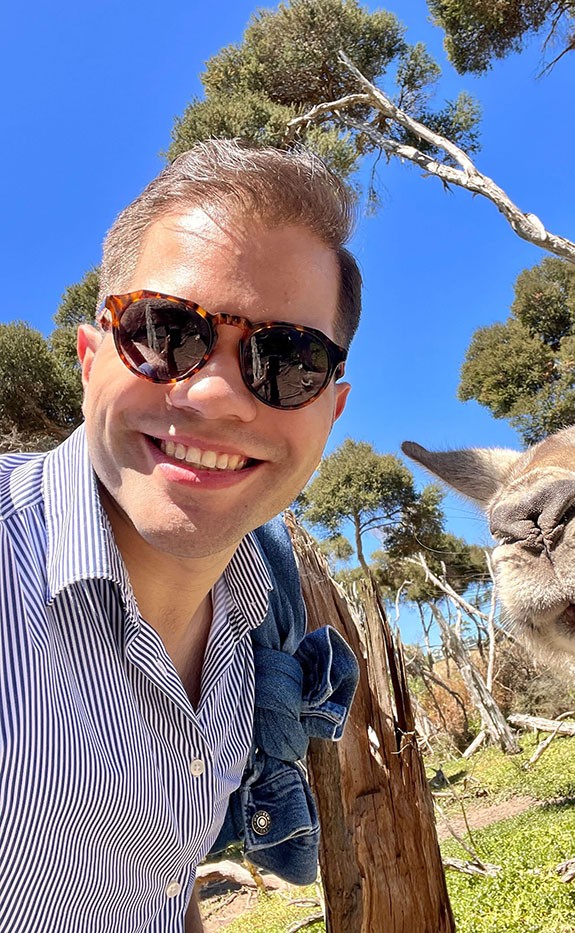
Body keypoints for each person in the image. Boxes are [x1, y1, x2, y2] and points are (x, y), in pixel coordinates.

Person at [0, 140, 361, 931]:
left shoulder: (256, 615)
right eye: (166, 332)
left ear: (328, 413)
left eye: (287, 358)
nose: (214, 395)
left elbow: (161, 874)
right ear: (92, 356)